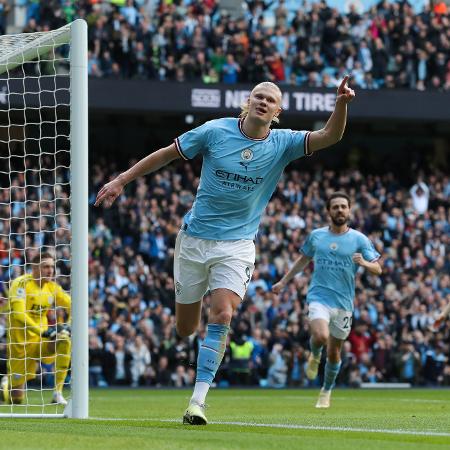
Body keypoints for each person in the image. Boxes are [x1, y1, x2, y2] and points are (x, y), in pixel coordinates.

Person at [95, 77, 355, 424]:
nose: (263, 102)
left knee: (223, 314)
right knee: (186, 328)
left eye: (271, 100)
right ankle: (194, 338)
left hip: (237, 245)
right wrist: (121, 180)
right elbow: (166, 155)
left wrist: (341, 104)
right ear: (248, 102)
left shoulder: (284, 143)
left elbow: (330, 136)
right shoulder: (214, 131)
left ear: (277, 111)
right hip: (194, 240)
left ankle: (196, 402)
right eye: (258, 97)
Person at [272, 191, 381, 408]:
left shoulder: (359, 239)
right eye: (335, 207)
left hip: (344, 303)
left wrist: (365, 264)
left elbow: (378, 269)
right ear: (328, 211)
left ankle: (326, 390)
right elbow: (303, 260)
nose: (340, 210)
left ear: (349, 210)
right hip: (319, 297)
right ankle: (314, 354)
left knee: (334, 352)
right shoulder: (317, 236)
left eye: (343, 206)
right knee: (321, 336)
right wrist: (284, 282)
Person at [1, 252, 71, 406]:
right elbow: (19, 314)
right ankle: (6, 383)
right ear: (34, 268)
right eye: (46, 266)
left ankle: (57, 393)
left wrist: (68, 324)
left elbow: (73, 305)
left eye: (52, 267)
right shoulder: (20, 284)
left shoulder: (52, 287)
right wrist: (43, 331)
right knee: (16, 399)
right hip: (20, 345)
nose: (50, 270)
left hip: (41, 341)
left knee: (64, 340)